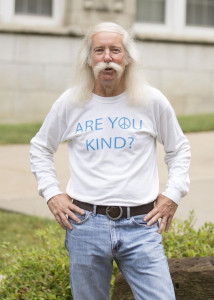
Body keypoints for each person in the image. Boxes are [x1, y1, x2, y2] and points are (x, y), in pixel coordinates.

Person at [30, 22, 191, 300]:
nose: (107, 57)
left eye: (115, 50)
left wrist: (173, 194)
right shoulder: (71, 102)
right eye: (99, 50)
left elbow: (179, 149)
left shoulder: (151, 101)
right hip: (85, 225)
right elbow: (40, 147)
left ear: (127, 58)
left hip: (141, 224)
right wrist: (52, 193)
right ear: (88, 58)